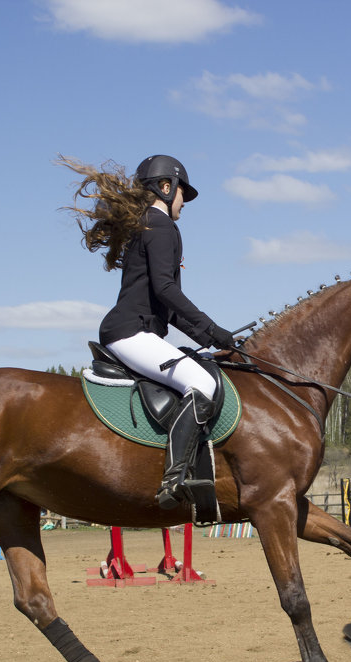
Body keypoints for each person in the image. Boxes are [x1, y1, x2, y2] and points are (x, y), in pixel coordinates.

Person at [60, 154, 236, 509]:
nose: (185, 202)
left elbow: (167, 308)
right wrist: (212, 327)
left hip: (134, 330)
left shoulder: (149, 225)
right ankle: (174, 479)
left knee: (200, 372)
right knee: (202, 384)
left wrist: (212, 339)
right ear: (166, 187)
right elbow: (166, 290)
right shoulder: (161, 226)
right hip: (130, 333)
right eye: (183, 192)